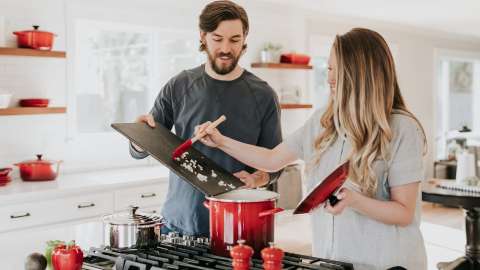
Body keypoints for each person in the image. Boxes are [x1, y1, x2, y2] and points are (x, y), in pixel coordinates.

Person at [196, 28, 428, 270]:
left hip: (387, 264)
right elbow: (272, 159)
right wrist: (221, 141)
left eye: (336, 70)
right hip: (332, 261)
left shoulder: (402, 128)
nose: (329, 78)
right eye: (328, 69)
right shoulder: (323, 122)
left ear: (362, 73)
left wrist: (355, 201)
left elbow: (404, 213)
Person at [129, 0, 282, 237]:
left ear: (244, 39)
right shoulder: (179, 86)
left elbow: (276, 164)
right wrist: (138, 139)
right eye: (217, 38)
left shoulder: (263, 95)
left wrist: (256, 178)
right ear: (203, 36)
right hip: (177, 225)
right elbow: (143, 147)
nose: (226, 48)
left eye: (234, 40)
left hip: (237, 227)